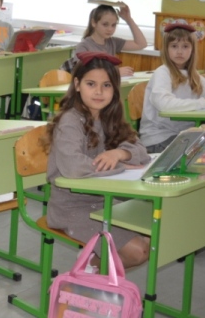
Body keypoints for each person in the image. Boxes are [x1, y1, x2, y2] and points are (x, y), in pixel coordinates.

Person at [43, 52, 151, 270]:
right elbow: (73, 167)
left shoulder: (109, 116)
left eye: (107, 85)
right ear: (77, 85)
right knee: (138, 251)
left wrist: (120, 153)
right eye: (91, 84)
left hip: (105, 201)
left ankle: (96, 273)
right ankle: (89, 266)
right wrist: (120, 166)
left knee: (156, 235)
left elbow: (141, 151)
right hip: (71, 208)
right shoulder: (70, 121)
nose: (99, 92)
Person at [140, 24, 205, 153]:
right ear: (166, 49)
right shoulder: (162, 73)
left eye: (185, 46)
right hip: (158, 138)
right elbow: (164, 104)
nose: (179, 51)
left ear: (192, 50)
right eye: (174, 46)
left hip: (183, 135)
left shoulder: (193, 75)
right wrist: (201, 103)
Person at [64, 3, 148, 76]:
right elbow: (83, 73)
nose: (110, 29)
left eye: (113, 25)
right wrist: (115, 72)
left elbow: (141, 44)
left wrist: (128, 19)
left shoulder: (113, 42)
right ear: (93, 23)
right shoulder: (84, 46)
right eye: (105, 24)